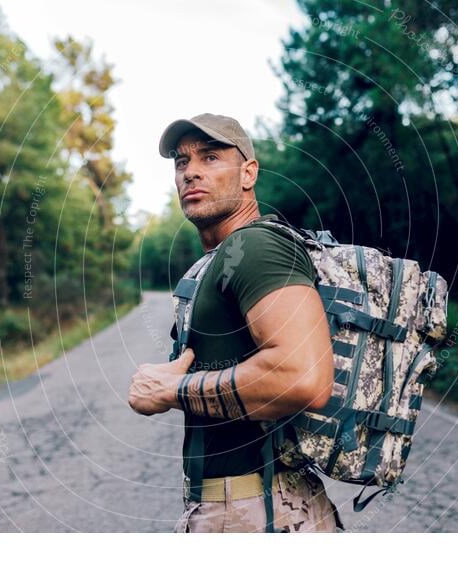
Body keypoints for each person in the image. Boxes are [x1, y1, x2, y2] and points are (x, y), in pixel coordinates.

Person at [128, 113, 343, 533]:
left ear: (248, 173)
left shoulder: (256, 246)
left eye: (210, 158)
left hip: (256, 509)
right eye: (181, 161)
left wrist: (172, 390)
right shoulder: (219, 261)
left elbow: (304, 376)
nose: (190, 172)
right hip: (250, 506)